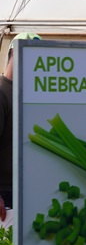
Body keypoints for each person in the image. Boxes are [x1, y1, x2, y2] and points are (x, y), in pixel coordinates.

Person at [1, 32, 41, 226]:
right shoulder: (2, 92)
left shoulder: (27, 93)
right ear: (13, 55)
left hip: (25, 188)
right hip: (5, 194)